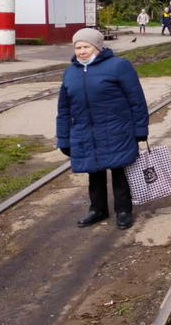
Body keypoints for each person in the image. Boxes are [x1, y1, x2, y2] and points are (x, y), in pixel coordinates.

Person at [56, 28, 149, 230]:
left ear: (97, 47)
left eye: (85, 46)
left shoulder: (119, 66)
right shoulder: (70, 72)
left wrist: (140, 128)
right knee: (93, 171)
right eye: (77, 47)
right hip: (85, 132)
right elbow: (63, 109)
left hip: (116, 130)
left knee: (119, 170)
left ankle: (123, 210)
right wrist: (63, 138)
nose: (81, 51)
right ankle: (97, 209)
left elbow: (137, 100)